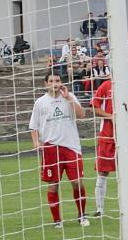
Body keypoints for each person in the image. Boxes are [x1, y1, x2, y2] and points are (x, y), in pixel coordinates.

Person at [29, 73, 89, 228]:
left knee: (77, 182)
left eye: (57, 81)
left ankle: (82, 215)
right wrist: (36, 142)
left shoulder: (70, 97)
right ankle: (57, 220)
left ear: (61, 82)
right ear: (46, 84)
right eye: (51, 81)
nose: (54, 83)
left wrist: (68, 98)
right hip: (50, 147)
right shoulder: (40, 102)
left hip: (71, 147)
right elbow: (34, 126)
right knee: (53, 185)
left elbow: (82, 114)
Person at [90, 73, 128, 216]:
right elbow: (94, 106)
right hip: (107, 136)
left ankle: (126, 209)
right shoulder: (106, 85)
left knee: (126, 173)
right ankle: (99, 209)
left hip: (126, 138)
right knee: (102, 172)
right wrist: (109, 116)